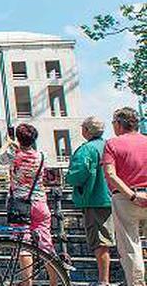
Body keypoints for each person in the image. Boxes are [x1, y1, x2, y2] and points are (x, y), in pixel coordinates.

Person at [0, 123, 56, 286]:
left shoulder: (14, 155)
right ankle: (54, 281)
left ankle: (27, 282)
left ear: (18, 138)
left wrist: (8, 142)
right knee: (45, 243)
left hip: (20, 205)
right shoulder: (41, 156)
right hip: (40, 202)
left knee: (24, 244)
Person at [65, 117, 114, 286]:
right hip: (115, 196)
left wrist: (68, 178)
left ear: (86, 130)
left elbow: (77, 175)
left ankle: (103, 280)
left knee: (100, 242)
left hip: (95, 199)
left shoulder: (87, 149)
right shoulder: (109, 145)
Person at [101, 107, 147, 286]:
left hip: (126, 197)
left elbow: (111, 174)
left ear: (119, 124)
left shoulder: (112, 144)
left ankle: (137, 283)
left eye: (113, 123)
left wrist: (133, 196)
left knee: (130, 247)